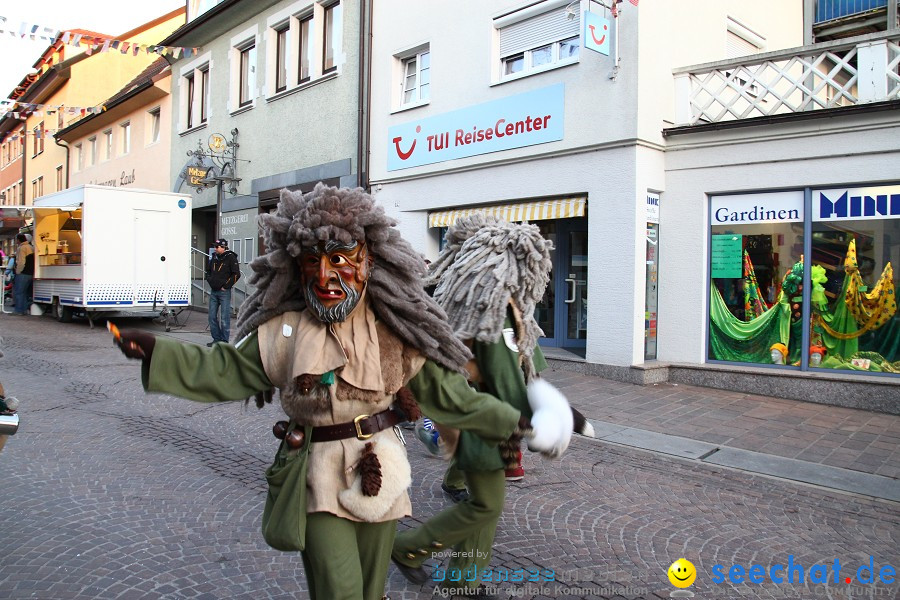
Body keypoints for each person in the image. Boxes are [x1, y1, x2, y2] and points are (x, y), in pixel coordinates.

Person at [112, 185, 571, 600]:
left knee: (372, 591)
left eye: (340, 257)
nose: (326, 274)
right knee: (342, 590)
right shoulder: (285, 330)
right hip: (316, 473)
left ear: (369, 259)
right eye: (312, 260)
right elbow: (227, 369)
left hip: (383, 469)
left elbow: (451, 397)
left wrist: (518, 420)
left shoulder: (397, 329)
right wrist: (157, 352)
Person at [392, 214, 569, 598]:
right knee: (486, 505)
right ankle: (406, 549)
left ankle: (462, 581)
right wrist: (531, 421)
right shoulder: (493, 303)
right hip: (486, 417)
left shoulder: (456, 292)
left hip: (469, 412)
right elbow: (504, 372)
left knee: (483, 503)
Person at [205, 238, 241, 346]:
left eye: (217, 247)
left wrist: (226, 286)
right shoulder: (214, 257)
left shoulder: (231, 257)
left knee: (224, 317)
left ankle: (224, 341)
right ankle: (216, 339)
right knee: (211, 316)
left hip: (224, 292)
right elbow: (208, 271)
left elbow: (236, 274)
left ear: (223, 247)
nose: (215, 249)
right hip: (214, 291)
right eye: (214, 246)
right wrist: (210, 280)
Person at [12, 233, 34, 316]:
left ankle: (19, 310)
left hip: (23, 273)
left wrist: (18, 271)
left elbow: (21, 261)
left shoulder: (22, 248)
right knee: (25, 293)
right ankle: (24, 309)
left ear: (18, 239)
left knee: (19, 292)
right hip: (30, 273)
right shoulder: (31, 247)